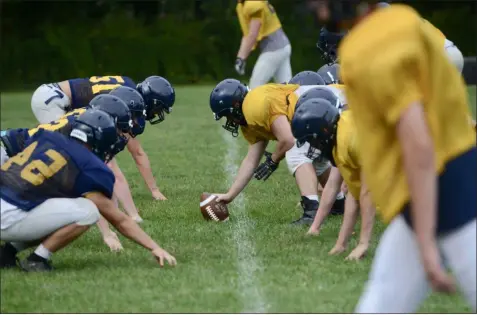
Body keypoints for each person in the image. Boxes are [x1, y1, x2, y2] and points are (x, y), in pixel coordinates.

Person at [327, 1, 475, 312]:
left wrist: (425, 244)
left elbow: (419, 145)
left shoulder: (367, 49)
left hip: (448, 200)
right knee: (380, 304)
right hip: (444, 182)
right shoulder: (401, 18)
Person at [0, 110, 176, 272]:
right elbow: (119, 220)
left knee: (54, 204)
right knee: (87, 211)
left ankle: (6, 253)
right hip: (7, 216)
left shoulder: (47, 137)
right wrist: (154, 247)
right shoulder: (88, 166)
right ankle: (37, 260)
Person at [29, 75, 174, 202]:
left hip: (52, 94)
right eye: (157, 109)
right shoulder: (127, 98)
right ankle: (40, 186)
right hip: (54, 99)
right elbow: (137, 152)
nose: (156, 114)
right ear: (151, 100)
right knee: (62, 148)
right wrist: (154, 190)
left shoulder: (128, 86)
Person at [292, 98, 375, 260]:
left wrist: (363, 243)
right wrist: (340, 244)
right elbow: (352, 193)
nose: (312, 146)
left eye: (311, 140)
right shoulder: (339, 139)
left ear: (321, 133)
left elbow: (368, 191)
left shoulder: (350, 139)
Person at [285, 86, 347, 224]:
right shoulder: (342, 126)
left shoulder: (349, 137)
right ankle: (337, 205)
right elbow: (334, 182)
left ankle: (316, 210)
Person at [235, 0, 292, 89]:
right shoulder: (244, 4)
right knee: (287, 88)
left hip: (274, 49)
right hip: (283, 46)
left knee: (254, 88)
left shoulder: (252, 4)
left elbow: (252, 35)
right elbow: (247, 36)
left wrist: (241, 59)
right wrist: (240, 58)